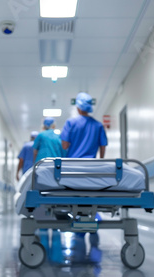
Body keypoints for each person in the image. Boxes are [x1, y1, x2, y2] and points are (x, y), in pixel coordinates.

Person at [60, 92, 108, 263]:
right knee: (90, 196)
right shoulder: (98, 125)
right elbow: (103, 147)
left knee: (75, 198)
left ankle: (79, 229)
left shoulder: (71, 123)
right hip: (92, 168)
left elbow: (64, 145)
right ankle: (94, 219)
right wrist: (100, 162)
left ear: (78, 108)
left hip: (73, 169)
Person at [33, 117, 65, 264]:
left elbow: (35, 153)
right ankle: (57, 251)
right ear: (54, 125)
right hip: (56, 172)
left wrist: (34, 166)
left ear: (44, 126)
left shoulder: (40, 135)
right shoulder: (59, 136)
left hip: (42, 170)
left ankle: (44, 242)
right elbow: (64, 155)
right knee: (56, 199)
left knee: (42, 200)